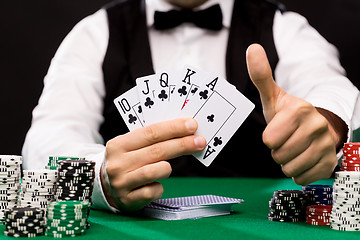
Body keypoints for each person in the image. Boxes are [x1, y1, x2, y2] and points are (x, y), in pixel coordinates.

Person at [22, 0, 359, 213]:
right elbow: (45, 141)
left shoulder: (282, 27)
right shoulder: (95, 34)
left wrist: (325, 125)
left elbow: (329, 84)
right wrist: (99, 175)